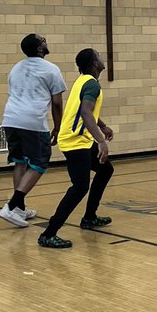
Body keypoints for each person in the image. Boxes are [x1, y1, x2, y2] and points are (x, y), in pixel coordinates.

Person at [38, 49, 114, 248]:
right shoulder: (91, 84)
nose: (102, 59)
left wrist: (102, 126)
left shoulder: (83, 81)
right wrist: (101, 140)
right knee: (80, 187)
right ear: (94, 63)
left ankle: (89, 217)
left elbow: (85, 110)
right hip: (75, 141)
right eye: (98, 56)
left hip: (81, 139)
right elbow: (86, 113)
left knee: (105, 170)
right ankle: (48, 233)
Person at [0, 33, 66, 227]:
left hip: (10, 119)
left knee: (20, 161)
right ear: (39, 48)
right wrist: (58, 127)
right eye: (43, 40)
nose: (46, 41)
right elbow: (57, 103)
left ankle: (19, 209)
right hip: (32, 122)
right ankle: (12, 206)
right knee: (40, 162)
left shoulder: (16, 68)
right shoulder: (51, 69)